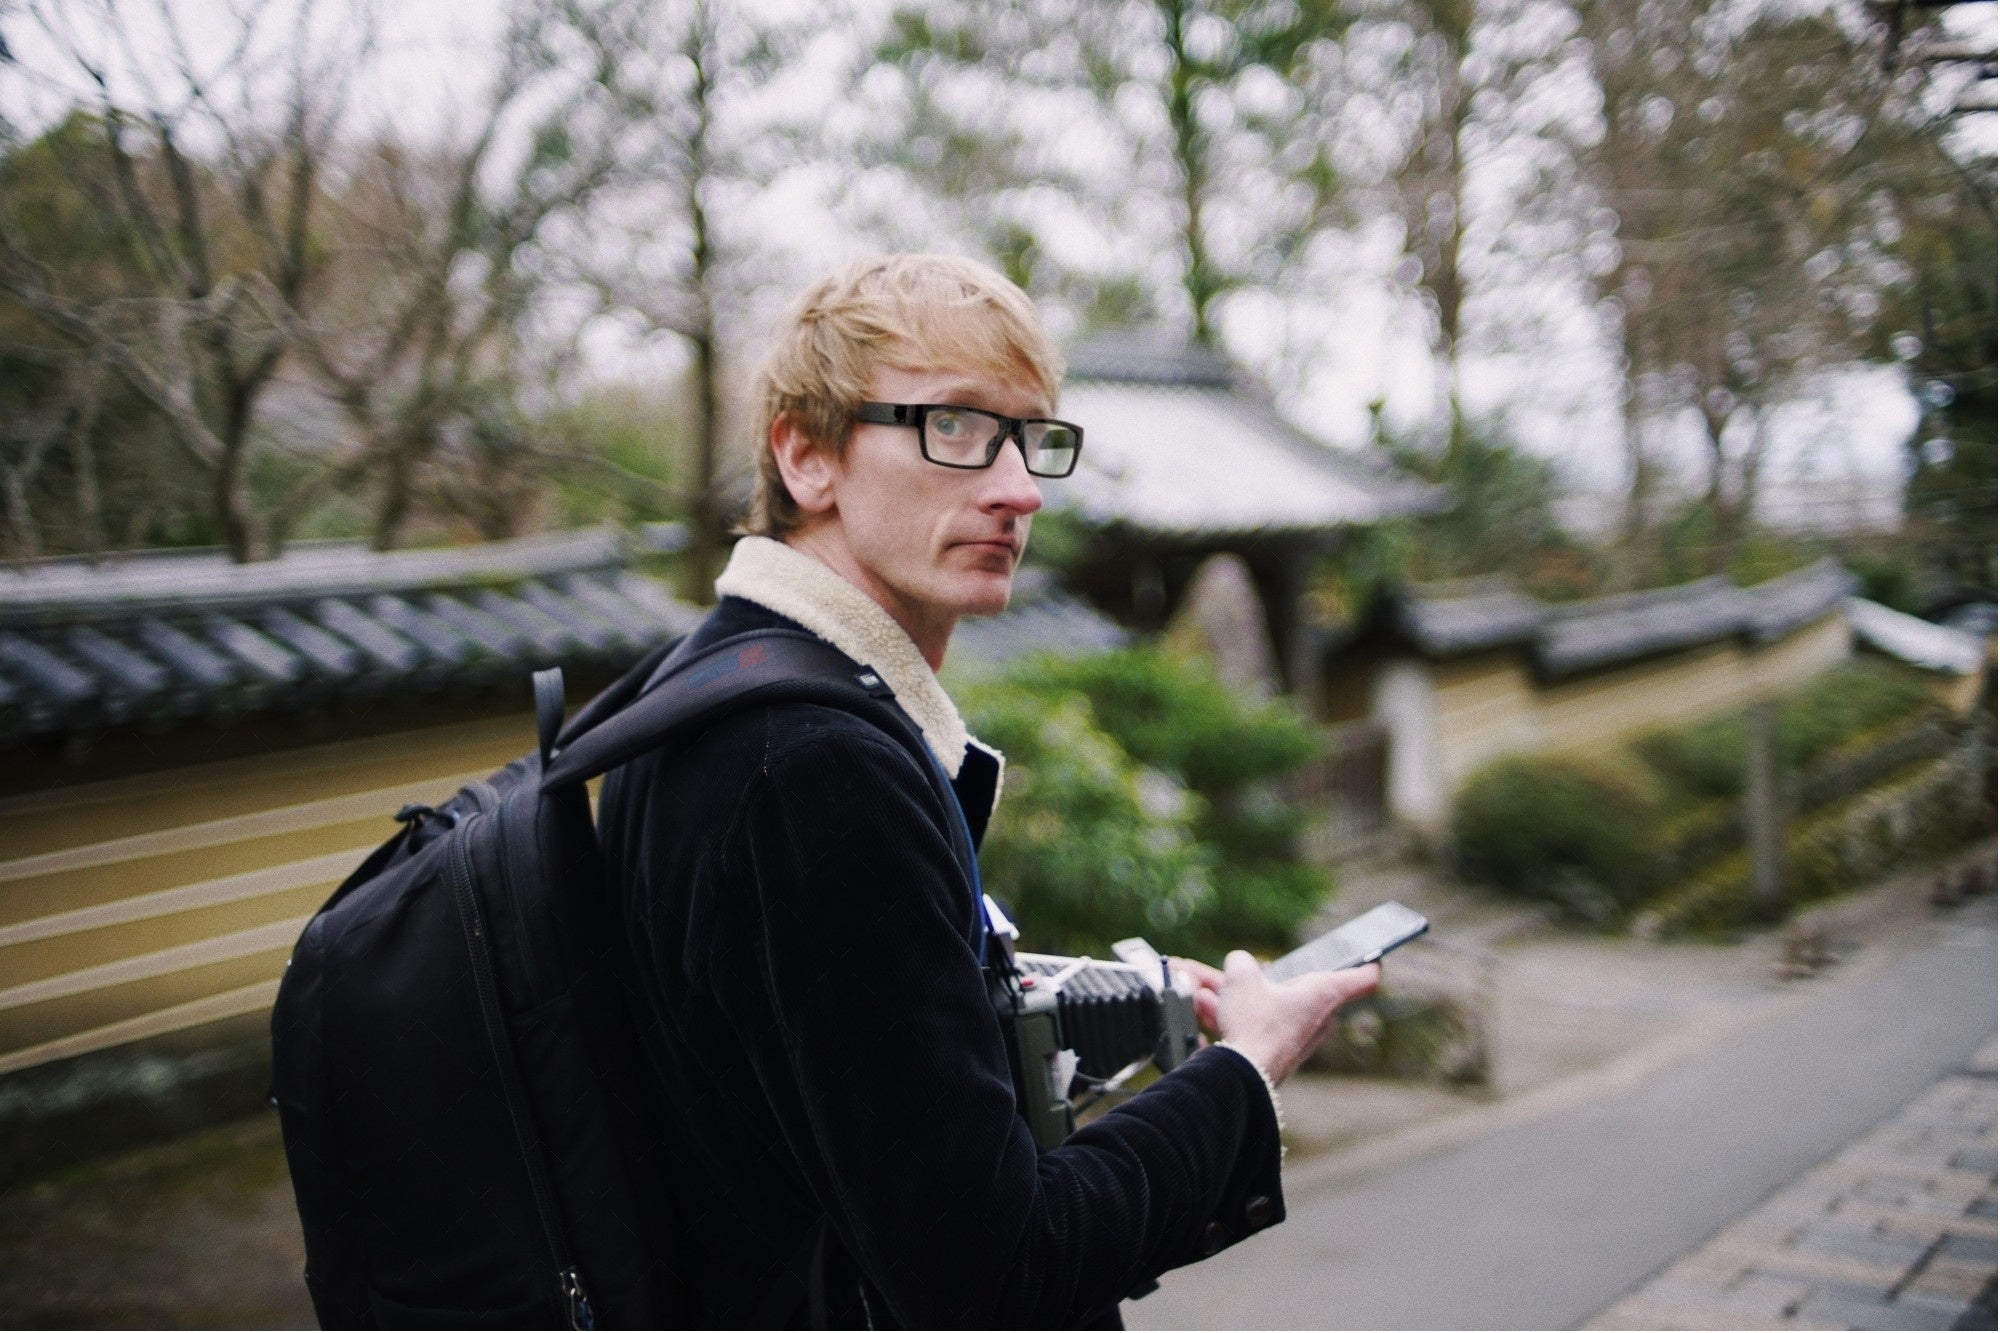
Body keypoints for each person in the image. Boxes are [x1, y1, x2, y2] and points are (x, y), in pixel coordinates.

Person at [596, 253, 1379, 1329]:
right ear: (805, 454)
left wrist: (1104, 1011)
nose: (1016, 488)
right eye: (954, 429)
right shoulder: (813, 767)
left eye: (1029, 437)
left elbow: (812, 1078)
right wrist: (1244, 1071)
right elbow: (996, 1268)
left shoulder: (705, 690)